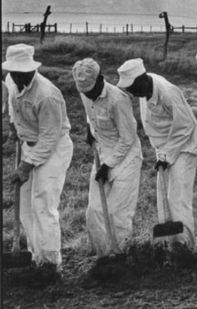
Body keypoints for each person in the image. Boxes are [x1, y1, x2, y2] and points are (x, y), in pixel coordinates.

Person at [117, 58, 197, 258]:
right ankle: (170, 247)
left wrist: (167, 155)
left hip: (183, 147)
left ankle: (186, 250)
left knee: (178, 198)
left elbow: (185, 127)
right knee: (164, 199)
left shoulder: (167, 92)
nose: (132, 93)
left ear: (144, 79)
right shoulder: (144, 89)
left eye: (133, 88)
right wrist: (162, 154)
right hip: (164, 149)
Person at [3, 44, 73, 284]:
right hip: (28, 144)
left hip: (53, 149)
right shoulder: (11, 81)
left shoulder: (47, 95)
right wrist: (14, 126)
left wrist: (26, 165)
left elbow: (49, 138)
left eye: (22, 72)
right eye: (13, 71)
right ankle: (36, 257)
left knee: (43, 203)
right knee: (25, 206)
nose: (18, 76)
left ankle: (52, 265)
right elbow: (13, 106)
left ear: (32, 69)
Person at [72, 58, 143, 259]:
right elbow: (90, 112)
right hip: (102, 152)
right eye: (83, 91)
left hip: (126, 157)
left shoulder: (118, 100)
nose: (87, 94)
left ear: (101, 79)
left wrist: (109, 165)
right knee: (94, 212)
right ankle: (104, 258)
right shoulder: (85, 90)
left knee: (116, 213)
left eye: (90, 90)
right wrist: (89, 128)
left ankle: (120, 257)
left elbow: (128, 138)